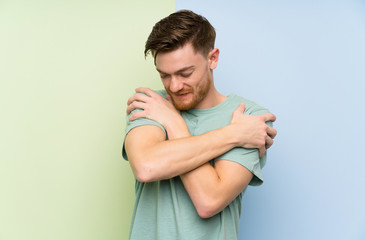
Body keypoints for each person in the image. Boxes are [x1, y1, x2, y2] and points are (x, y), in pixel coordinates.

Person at [122, 10, 277, 240]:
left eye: (185, 73)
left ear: (212, 58)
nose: (174, 86)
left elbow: (209, 200)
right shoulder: (151, 105)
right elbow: (146, 167)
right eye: (164, 75)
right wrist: (233, 134)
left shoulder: (250, 117)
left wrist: (173, 124)